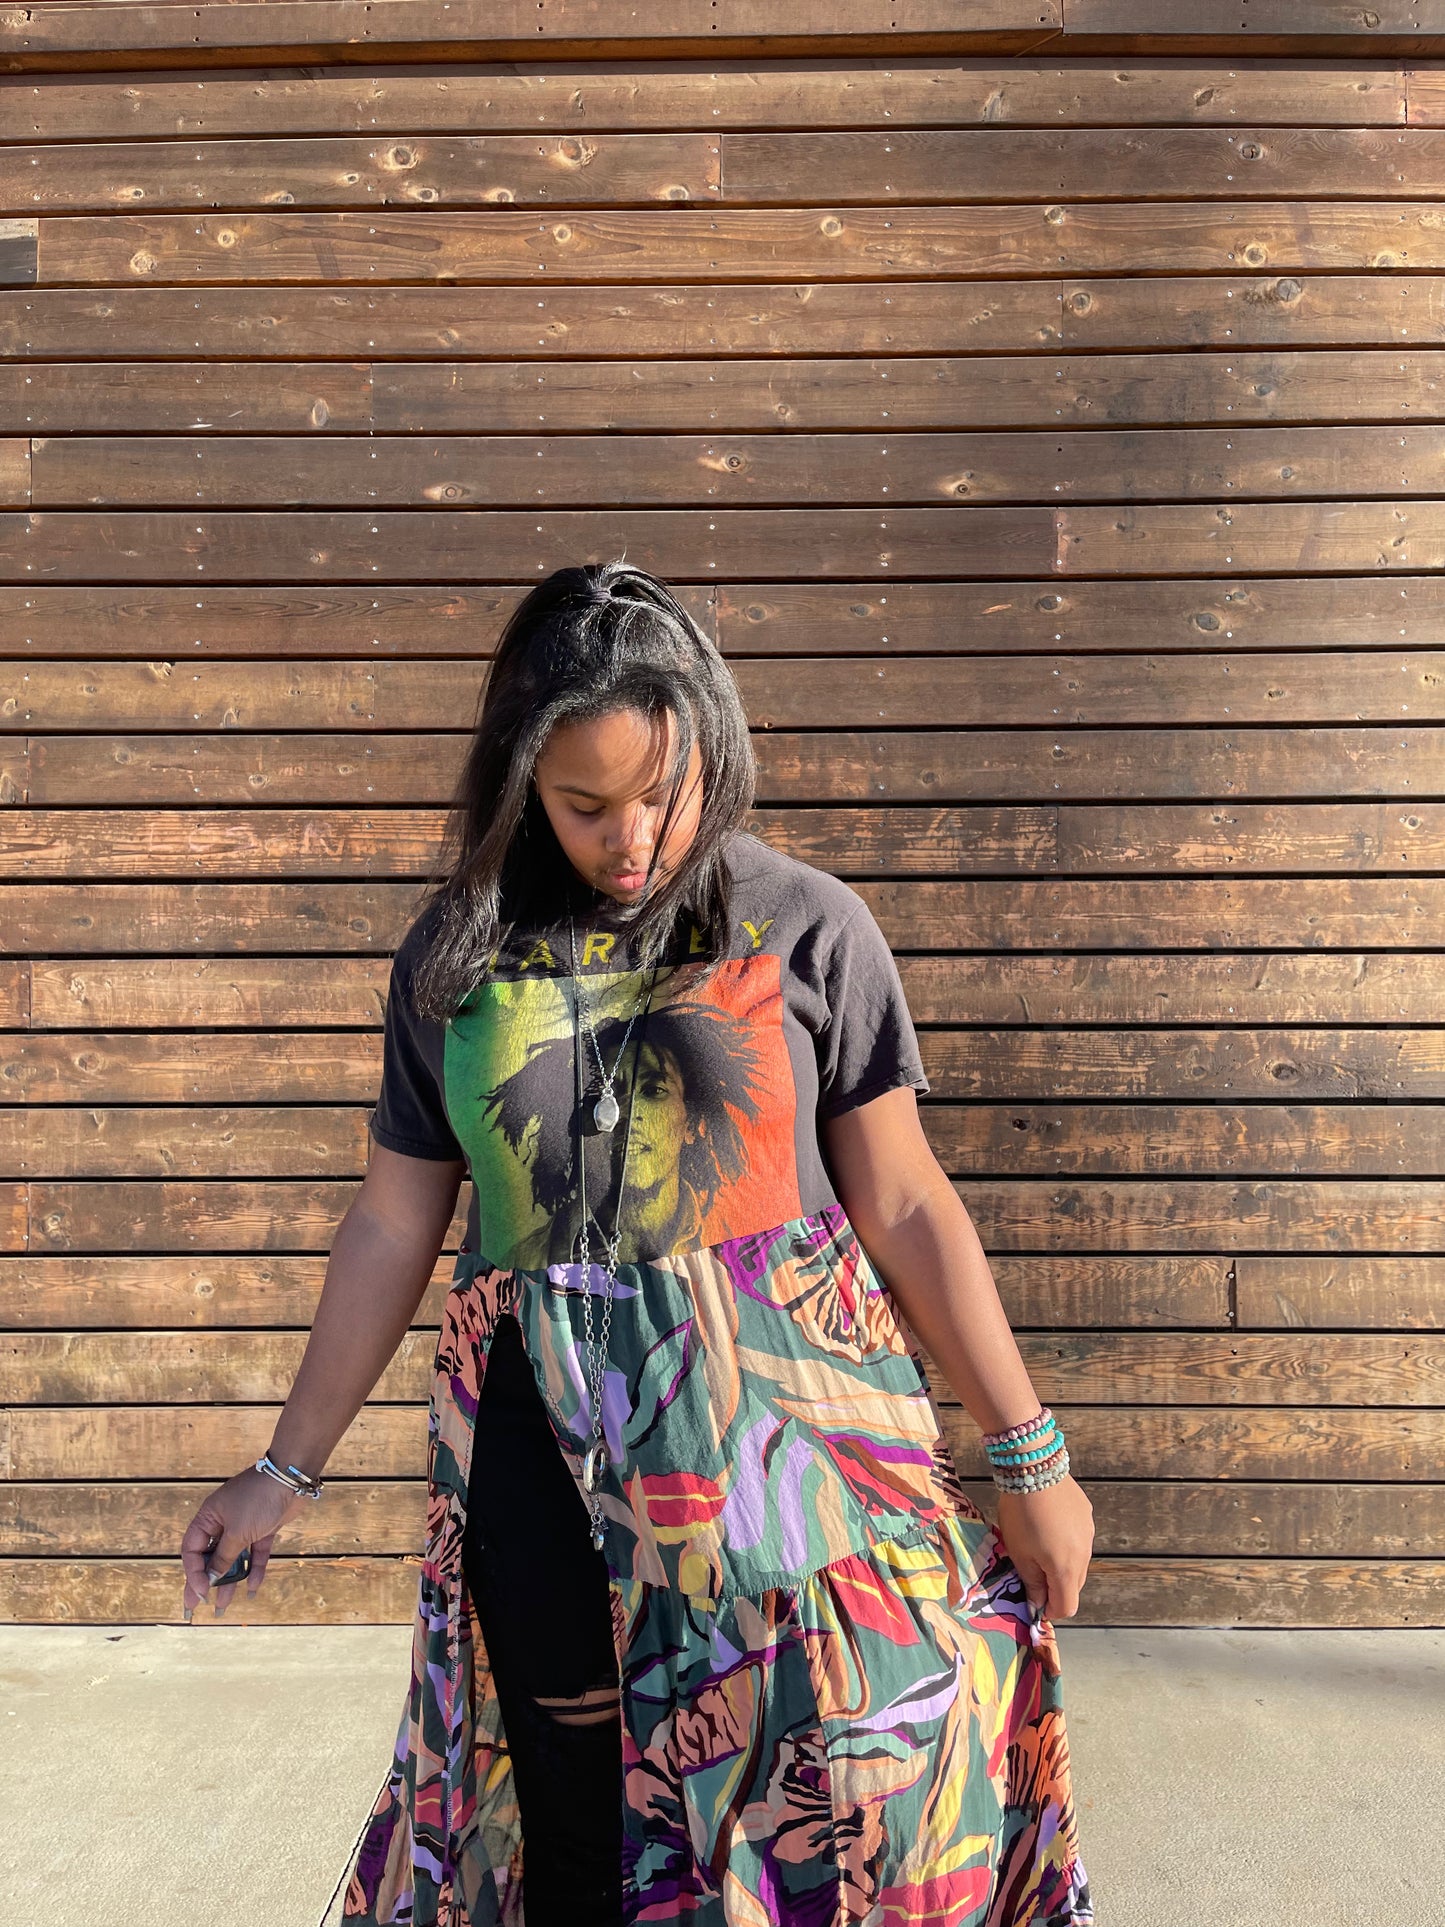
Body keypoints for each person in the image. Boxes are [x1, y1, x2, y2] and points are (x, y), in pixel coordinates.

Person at [179, 559, 1096, 1927]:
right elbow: (390, 1219)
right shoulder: (456, 958)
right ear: (519, 782)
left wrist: (1029, 1457)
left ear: (713, 746)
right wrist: (281, 1469)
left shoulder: (806, 928)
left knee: (824, 1806)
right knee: (575, 1814)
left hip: (791, 1467)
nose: (633, 839)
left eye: (664, 793)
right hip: (541, 1465)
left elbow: (907, 1204)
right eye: (585, 804)